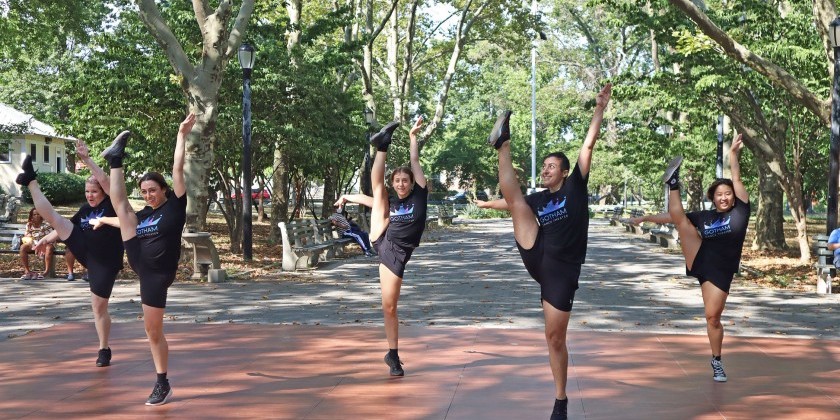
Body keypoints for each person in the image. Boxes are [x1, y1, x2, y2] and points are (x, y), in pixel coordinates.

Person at [476, 84, 611, 420]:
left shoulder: (576, 186)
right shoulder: (539, 198)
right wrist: (485, 204)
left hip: (562, 272)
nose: (547, 169)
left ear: (564, 171)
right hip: (537, 253)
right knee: (518, 202)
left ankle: (561, 400)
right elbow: (511, 203)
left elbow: (589, 143)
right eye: (545, 166)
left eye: (553, 166)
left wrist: (599, 109)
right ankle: (503, 144)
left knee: (554, 338)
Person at [630, 133, 749, 384]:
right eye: (719, 195)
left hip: (721, 269)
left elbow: (736, 177)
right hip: (700, 255)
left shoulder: (741, 211)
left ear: (733, 196)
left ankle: (716, 359)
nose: (724, 197)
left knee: (712, 317)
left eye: (727, 193)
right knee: (683, 220)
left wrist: (733, 155)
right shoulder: (704, 217)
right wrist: (646, 218)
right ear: (712, 198)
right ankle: (673, 183)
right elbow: (674, 217)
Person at [94, 113, 194, 406]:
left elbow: (178, 168)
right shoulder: (146, 214)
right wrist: (105, 221)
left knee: (152, 331)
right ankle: (115, 159)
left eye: (153, 190)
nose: (149, 195)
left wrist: (182, 134)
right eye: (145, 192)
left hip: (156, 274)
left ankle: (162, 382)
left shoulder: (175, 207)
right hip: (138, 257)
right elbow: (122, 213)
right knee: (122, 210)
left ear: (163, 190)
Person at [16, 140, 125, 369]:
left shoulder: (113, 206)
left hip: (105, 263)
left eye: (94, 191)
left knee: (98, 307)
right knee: (54, 217)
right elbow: (65, 226)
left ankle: (104, 348)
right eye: (87, 192)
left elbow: (106, 180)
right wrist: (45, 239)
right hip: (85, 250)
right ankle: (31, 181)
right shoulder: (85, 210)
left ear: (103, 192)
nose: (90, 195)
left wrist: (86, 159)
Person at [334, 116, 428, 377]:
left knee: (390, 305)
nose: (400, 183)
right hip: (385, 244)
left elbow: (415, 162)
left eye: (404, 180)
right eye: (396, 180)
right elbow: (369, 199)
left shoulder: (420, 195)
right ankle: (382, 146)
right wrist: (346, 196)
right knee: (379, 198)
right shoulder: (392, 202)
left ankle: (390, 355)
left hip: (400, 251)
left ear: (411, 183)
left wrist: (412, 137)